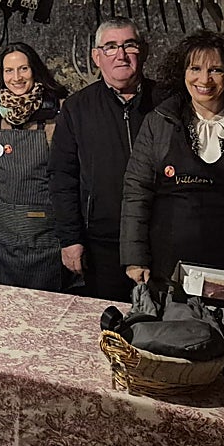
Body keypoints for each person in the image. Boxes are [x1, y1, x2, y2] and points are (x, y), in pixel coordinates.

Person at [119, 30, 224, 288]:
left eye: (216, 70)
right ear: (182, 72)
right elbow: (137, 191)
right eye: (195, 68)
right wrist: (135, 258)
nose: (204, 79)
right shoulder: (159, 121)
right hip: (169, 264)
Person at [50, 17, 159, 302]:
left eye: (129, 45)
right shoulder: (77, 109)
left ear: (143, 51)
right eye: (110, 47)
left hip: (160, 239)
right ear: (96, 57)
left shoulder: (167, 104)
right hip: (102, 244)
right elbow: (62, 176)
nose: (120, 55)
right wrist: (70, 238)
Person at [0, 42, 68, 290]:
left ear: (35, 71)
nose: (16, 78)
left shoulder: (56, 114)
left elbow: (68, 175)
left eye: (23, 69)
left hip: (42, 233)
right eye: (9, 71)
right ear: (1, 75)